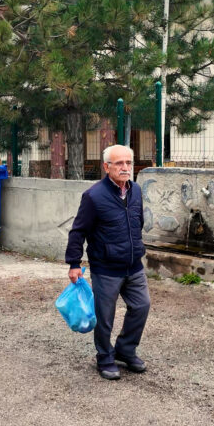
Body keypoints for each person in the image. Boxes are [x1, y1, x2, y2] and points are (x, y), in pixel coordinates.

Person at [65, 144, 150, 380]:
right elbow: (78, 231)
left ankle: (125, 350)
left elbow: (138, 223)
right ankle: (104, 357)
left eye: (128, 163)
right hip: (106, 268)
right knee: (105, 316)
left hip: (133, 265)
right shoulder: (93, 196)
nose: (125, 167)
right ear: (106, 167)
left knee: (141, 306)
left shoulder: (136, 190)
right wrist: (74, 263)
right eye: (119, 163)